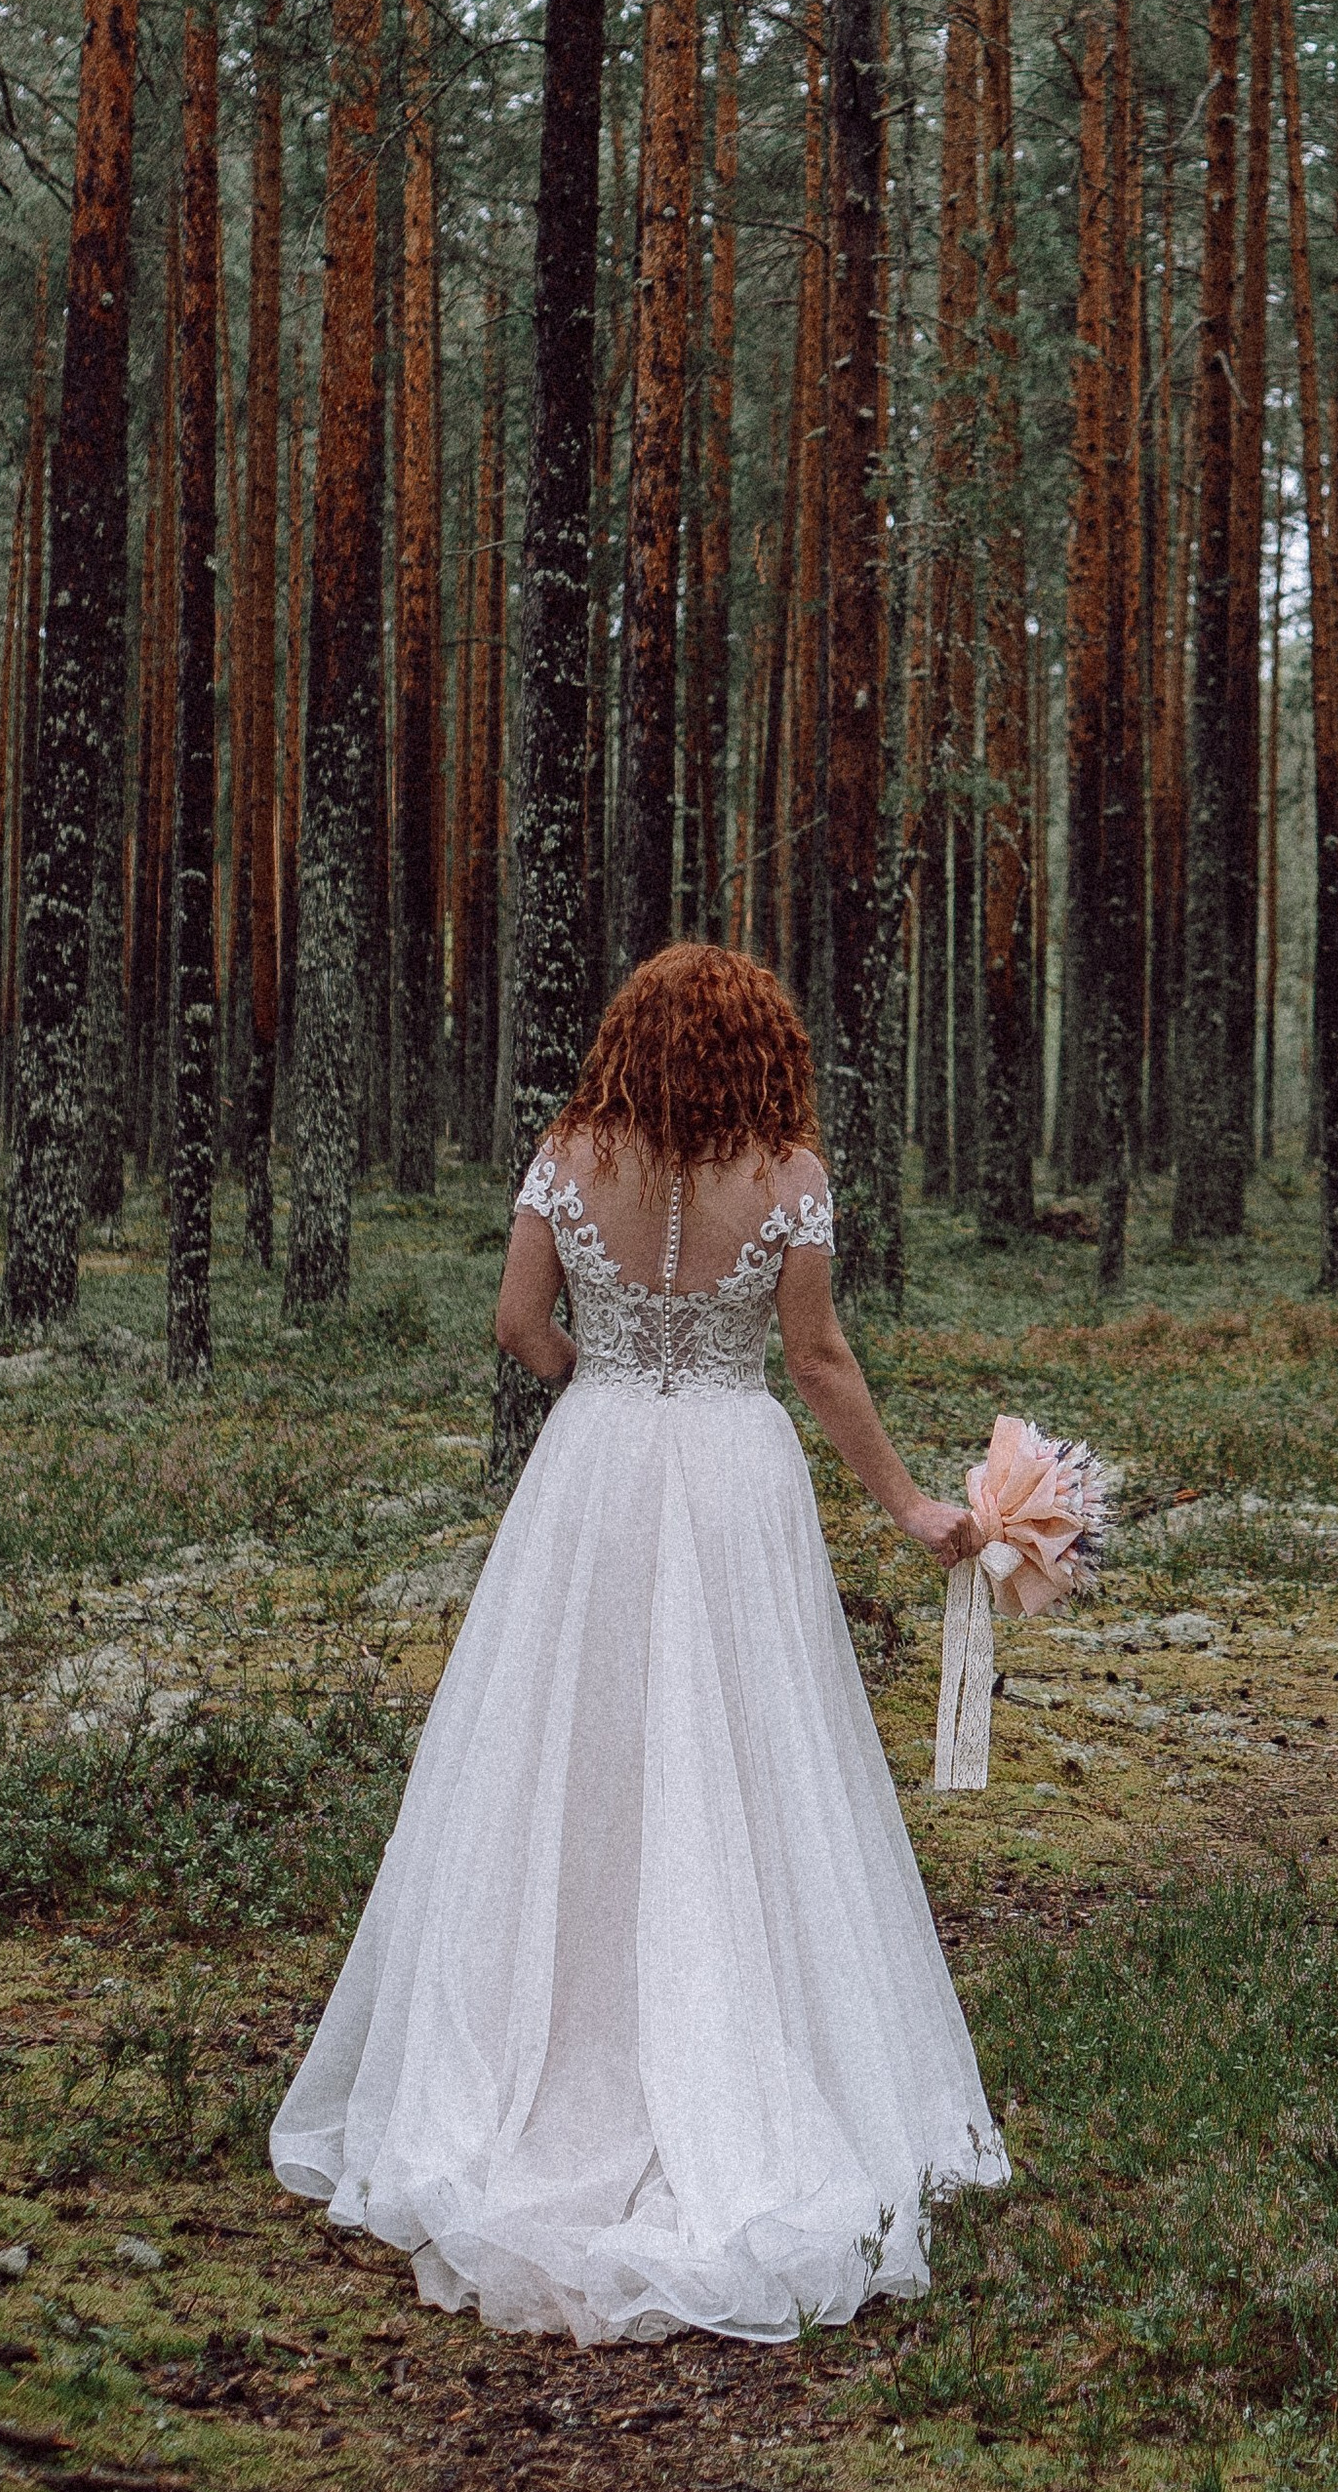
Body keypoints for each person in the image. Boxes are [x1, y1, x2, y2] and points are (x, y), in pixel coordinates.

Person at [270, 942, 1008, 2344]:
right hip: (735, 1476)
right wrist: (911, 1506)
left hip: (597, 1471)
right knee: (750, 1752)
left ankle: (547, 2041)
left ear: (630, 1038)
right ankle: (740, 2046)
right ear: (760, 1048)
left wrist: (595, 1385)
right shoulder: (784, 1175)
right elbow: (818, 1361)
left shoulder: (568, 1153)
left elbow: (515, 1323)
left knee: (572, 1748)